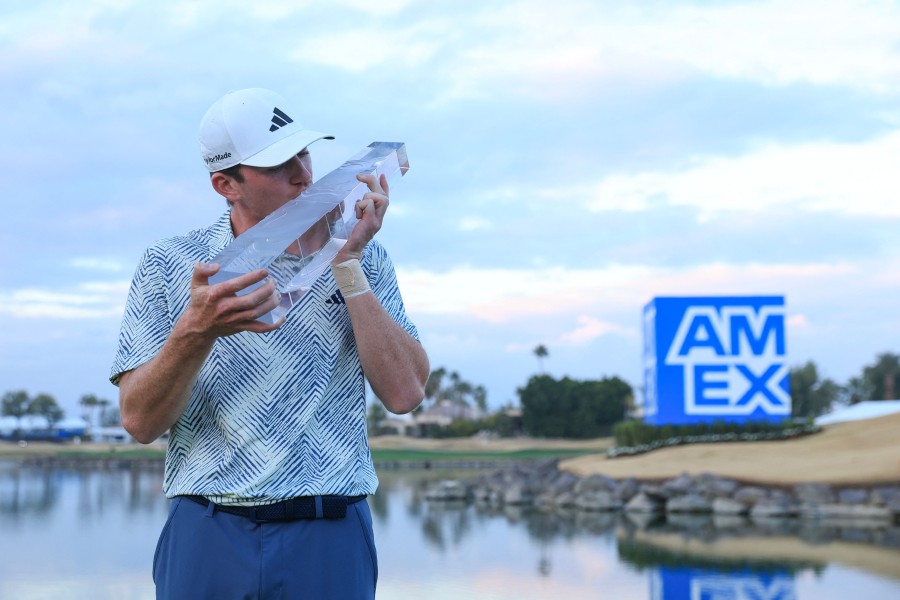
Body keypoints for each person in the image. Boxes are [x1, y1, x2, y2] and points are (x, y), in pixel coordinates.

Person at [110, 87, 429, 599]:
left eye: (304, 152)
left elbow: (405, 394)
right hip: (208, 529)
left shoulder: (362, 251)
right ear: (225, 185)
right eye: (279, 164)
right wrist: (197, 331)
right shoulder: (169, 265)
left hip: (330, 529)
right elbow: (140, 422)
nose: (304, 173)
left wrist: (347, 266)